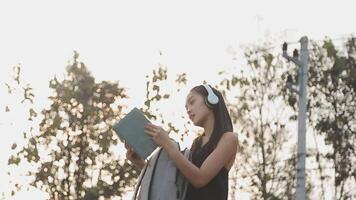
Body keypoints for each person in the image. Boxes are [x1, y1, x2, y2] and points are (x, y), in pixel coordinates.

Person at [126, 84, 238, 200]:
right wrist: (140, 163)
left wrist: (167, 143)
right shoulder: (197, 143)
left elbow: (200, 179)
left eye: (192, 102)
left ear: (211, 100)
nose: (188, 110)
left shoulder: (229, 139)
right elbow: (175, 179)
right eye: (186, 107)